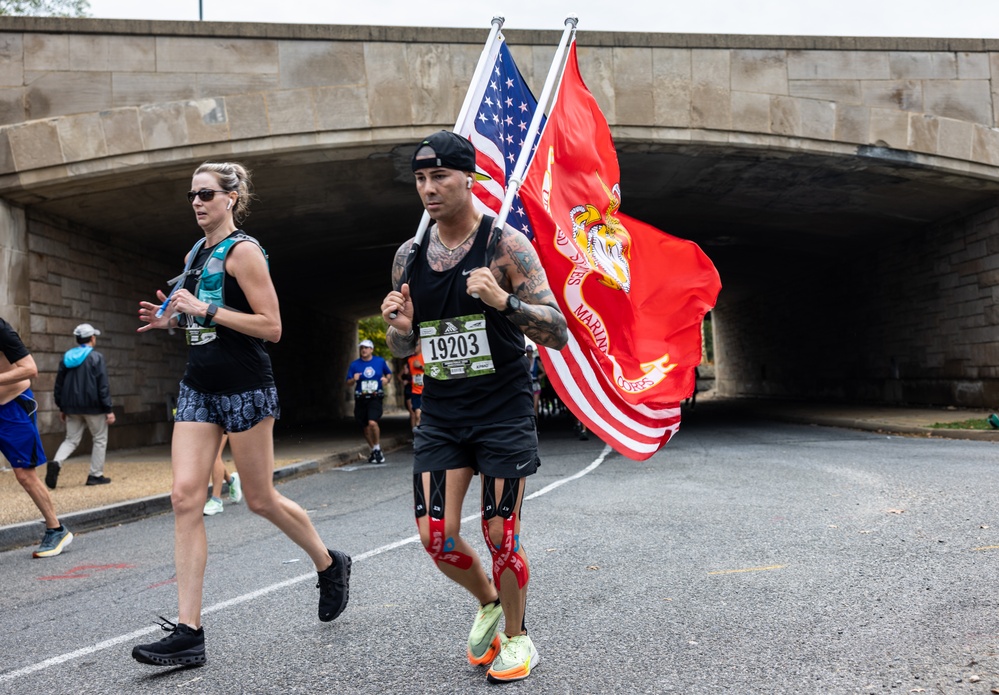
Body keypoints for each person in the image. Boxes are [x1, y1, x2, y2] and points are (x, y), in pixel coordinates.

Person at [132, 161, 350, 667]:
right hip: (199, 387)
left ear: (231, 197)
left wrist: (204, 310)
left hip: (245, 387)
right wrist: (169, 319)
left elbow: (271, 326)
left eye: (206, 194)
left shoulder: (244, 252)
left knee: (260, 498)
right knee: (185, 496)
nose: (197, 202)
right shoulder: (195, 253)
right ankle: (189, 632)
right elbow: (197, 316)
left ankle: (328, 562)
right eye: (191, 195)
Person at [380, 131, 568, 683]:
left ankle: (517, 636)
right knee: (434, 537)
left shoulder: (505, 247)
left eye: (440, 177)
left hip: (502, 410)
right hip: (441, 414)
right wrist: (400, 328)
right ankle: (487, 601)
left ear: (470, 179)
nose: (428, 189)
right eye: (420, 179)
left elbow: (556, 332)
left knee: (500, 534)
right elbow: (402, 346)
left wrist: (502, 300)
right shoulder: (408, 255)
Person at [0, 317, 73, 558]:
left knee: (25, 475)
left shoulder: (2, 331)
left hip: (12, 407)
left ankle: (56, 529)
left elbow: (30, 370)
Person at [47, 323, 116, 488]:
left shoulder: (67, 357)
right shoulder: (96, 357)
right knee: (99, 439)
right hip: (94, 408)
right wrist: (108, 409)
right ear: (92, 338)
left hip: (71, 408)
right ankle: (95, 475)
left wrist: (62, 407)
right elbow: (103, 385)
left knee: (71, 440)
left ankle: (56, 462)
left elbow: (59, 385)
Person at [346, 339, 391, 463]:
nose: (363, 350)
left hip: (375, 397)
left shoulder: (379, 361)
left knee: (372, 423)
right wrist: (353, 379)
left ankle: (377, 448)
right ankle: (374, 450)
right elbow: (348, 383)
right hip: (361, 398)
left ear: (371, 349)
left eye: (366, 348)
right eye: (361, 348)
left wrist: (386, 380)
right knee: (365, 427)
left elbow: (388, 374)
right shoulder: (355, 364)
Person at [203, 433, 242, 516]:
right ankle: (231, 480)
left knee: (214, 454)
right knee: (206, 454)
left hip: (220, 421)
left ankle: (216, 500)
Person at [406, 342, 424, 432]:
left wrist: (420, 366)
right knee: (417, 414)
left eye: (416, 345)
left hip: (427, 392)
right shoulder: (410, 360)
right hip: (415, 391)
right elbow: (412, 375)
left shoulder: (426, 357)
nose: (414, 347)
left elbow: (434, 372)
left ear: (421, 345)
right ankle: (419, 437)